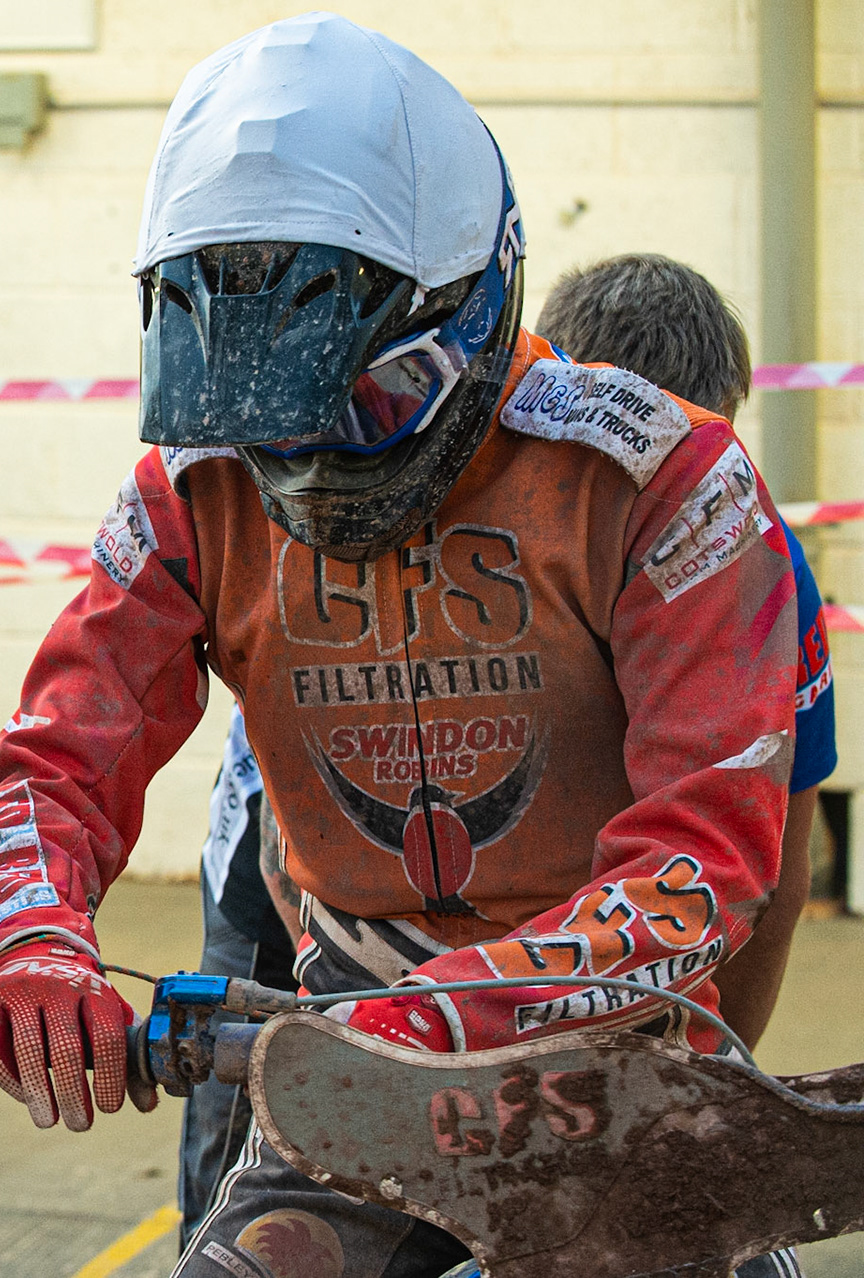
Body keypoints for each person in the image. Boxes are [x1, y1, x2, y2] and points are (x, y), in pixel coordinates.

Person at [0, 16, 800, 1278]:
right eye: (268, 424)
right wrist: (30, 935)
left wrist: (447, 1014)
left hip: (614, 1067)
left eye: (374, 400)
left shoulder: (660, 480)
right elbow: (54, 769)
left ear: (481, 291)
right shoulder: (195, 488)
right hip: (348, 1060)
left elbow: (704, 859)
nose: (311, 465)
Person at [173, 251, 839, 1252]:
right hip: (307, 858)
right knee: (262, 1139)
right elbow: (274, 859)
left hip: (572, 942)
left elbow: (765, 857)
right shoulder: (444, 466)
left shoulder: (738, 542)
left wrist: (699, 1053)